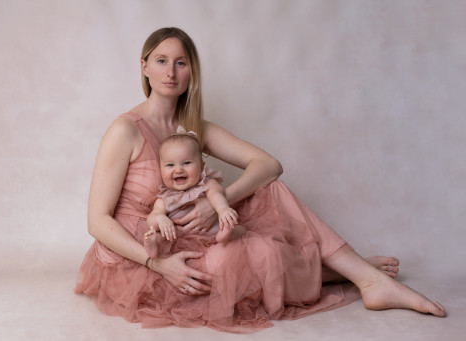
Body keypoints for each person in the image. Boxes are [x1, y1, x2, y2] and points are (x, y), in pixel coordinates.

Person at [74, 27, 446, 333]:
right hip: (144, 250)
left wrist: (216, 201)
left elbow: (269, 164)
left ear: (192, 73)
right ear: (145, 67)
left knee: (270, 190)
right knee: (231, 267)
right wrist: (157, 264)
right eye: (161, 61)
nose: (171, 72)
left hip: (191, 232)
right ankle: (345, 270)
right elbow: (97, 221)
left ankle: (366, 279)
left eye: (181, 63)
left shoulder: (192, 129)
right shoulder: (125, 129)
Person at [144, 128, 244, 259]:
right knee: (161, 234)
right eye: (170, 165)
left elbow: (216, 195)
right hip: (179, 238)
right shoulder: (164, 198)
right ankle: (154, 243)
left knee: (241, 230)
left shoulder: (206, 184)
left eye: (186, 163)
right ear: (160, 169)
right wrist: (160, 219)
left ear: (202, 166)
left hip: (212, 231)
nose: (178, 169)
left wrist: (222, 209)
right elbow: (153, 216)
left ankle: (225, 235)